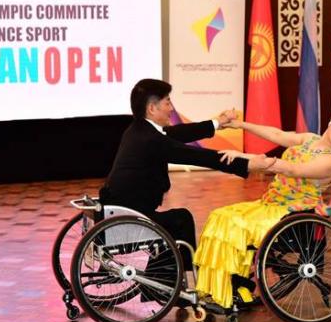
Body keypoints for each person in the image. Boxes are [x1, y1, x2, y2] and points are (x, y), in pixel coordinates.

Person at [193, 104, 331, 308]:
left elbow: (293, 170)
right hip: (270, 203)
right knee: (220, 216)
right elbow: (276, 134)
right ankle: (221, 288)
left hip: (291, 212)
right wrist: (239, 124)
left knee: (235, 224)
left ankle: (238, 288)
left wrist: (248, 158)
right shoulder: (309, 139)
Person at [99, 78, 273, 271]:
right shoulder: (150, 139)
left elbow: (178, 133)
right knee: (181, 220)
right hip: (131, 217)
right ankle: (173, 281)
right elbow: (197, 156)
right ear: (152, 108)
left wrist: (218, 123)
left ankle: (164, 285)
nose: (171, 108)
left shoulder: (138, 130)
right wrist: (247, 164)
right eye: (167, 102)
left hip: (122, 209)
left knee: (174, 221)